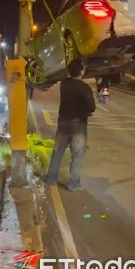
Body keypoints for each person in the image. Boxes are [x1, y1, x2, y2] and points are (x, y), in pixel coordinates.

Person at [44, 59, 95, 191]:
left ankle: (50, 178)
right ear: (81, 71)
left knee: (58, 152)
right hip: (78, 125)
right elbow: (91, 106)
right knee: (77, 155)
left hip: (63, 122)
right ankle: (73, 183)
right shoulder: (84, 88)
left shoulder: (65, 84)